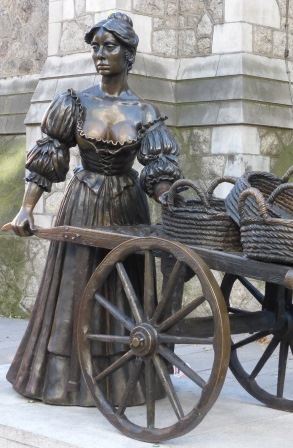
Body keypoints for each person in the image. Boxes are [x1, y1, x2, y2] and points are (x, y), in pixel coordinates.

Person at [6, 12, 182, 406]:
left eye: (110, 46)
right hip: (83, 202)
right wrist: (26, 209)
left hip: (127, 208)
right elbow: (49, 155)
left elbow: (158, 170)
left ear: (129, 54)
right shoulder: (74, 102)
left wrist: (172, 200)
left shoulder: (145, 112)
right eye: (96, 47)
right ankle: (63, 380)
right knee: (76, 285)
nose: (100, 55)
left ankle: (124, 379)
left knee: (125, 290)